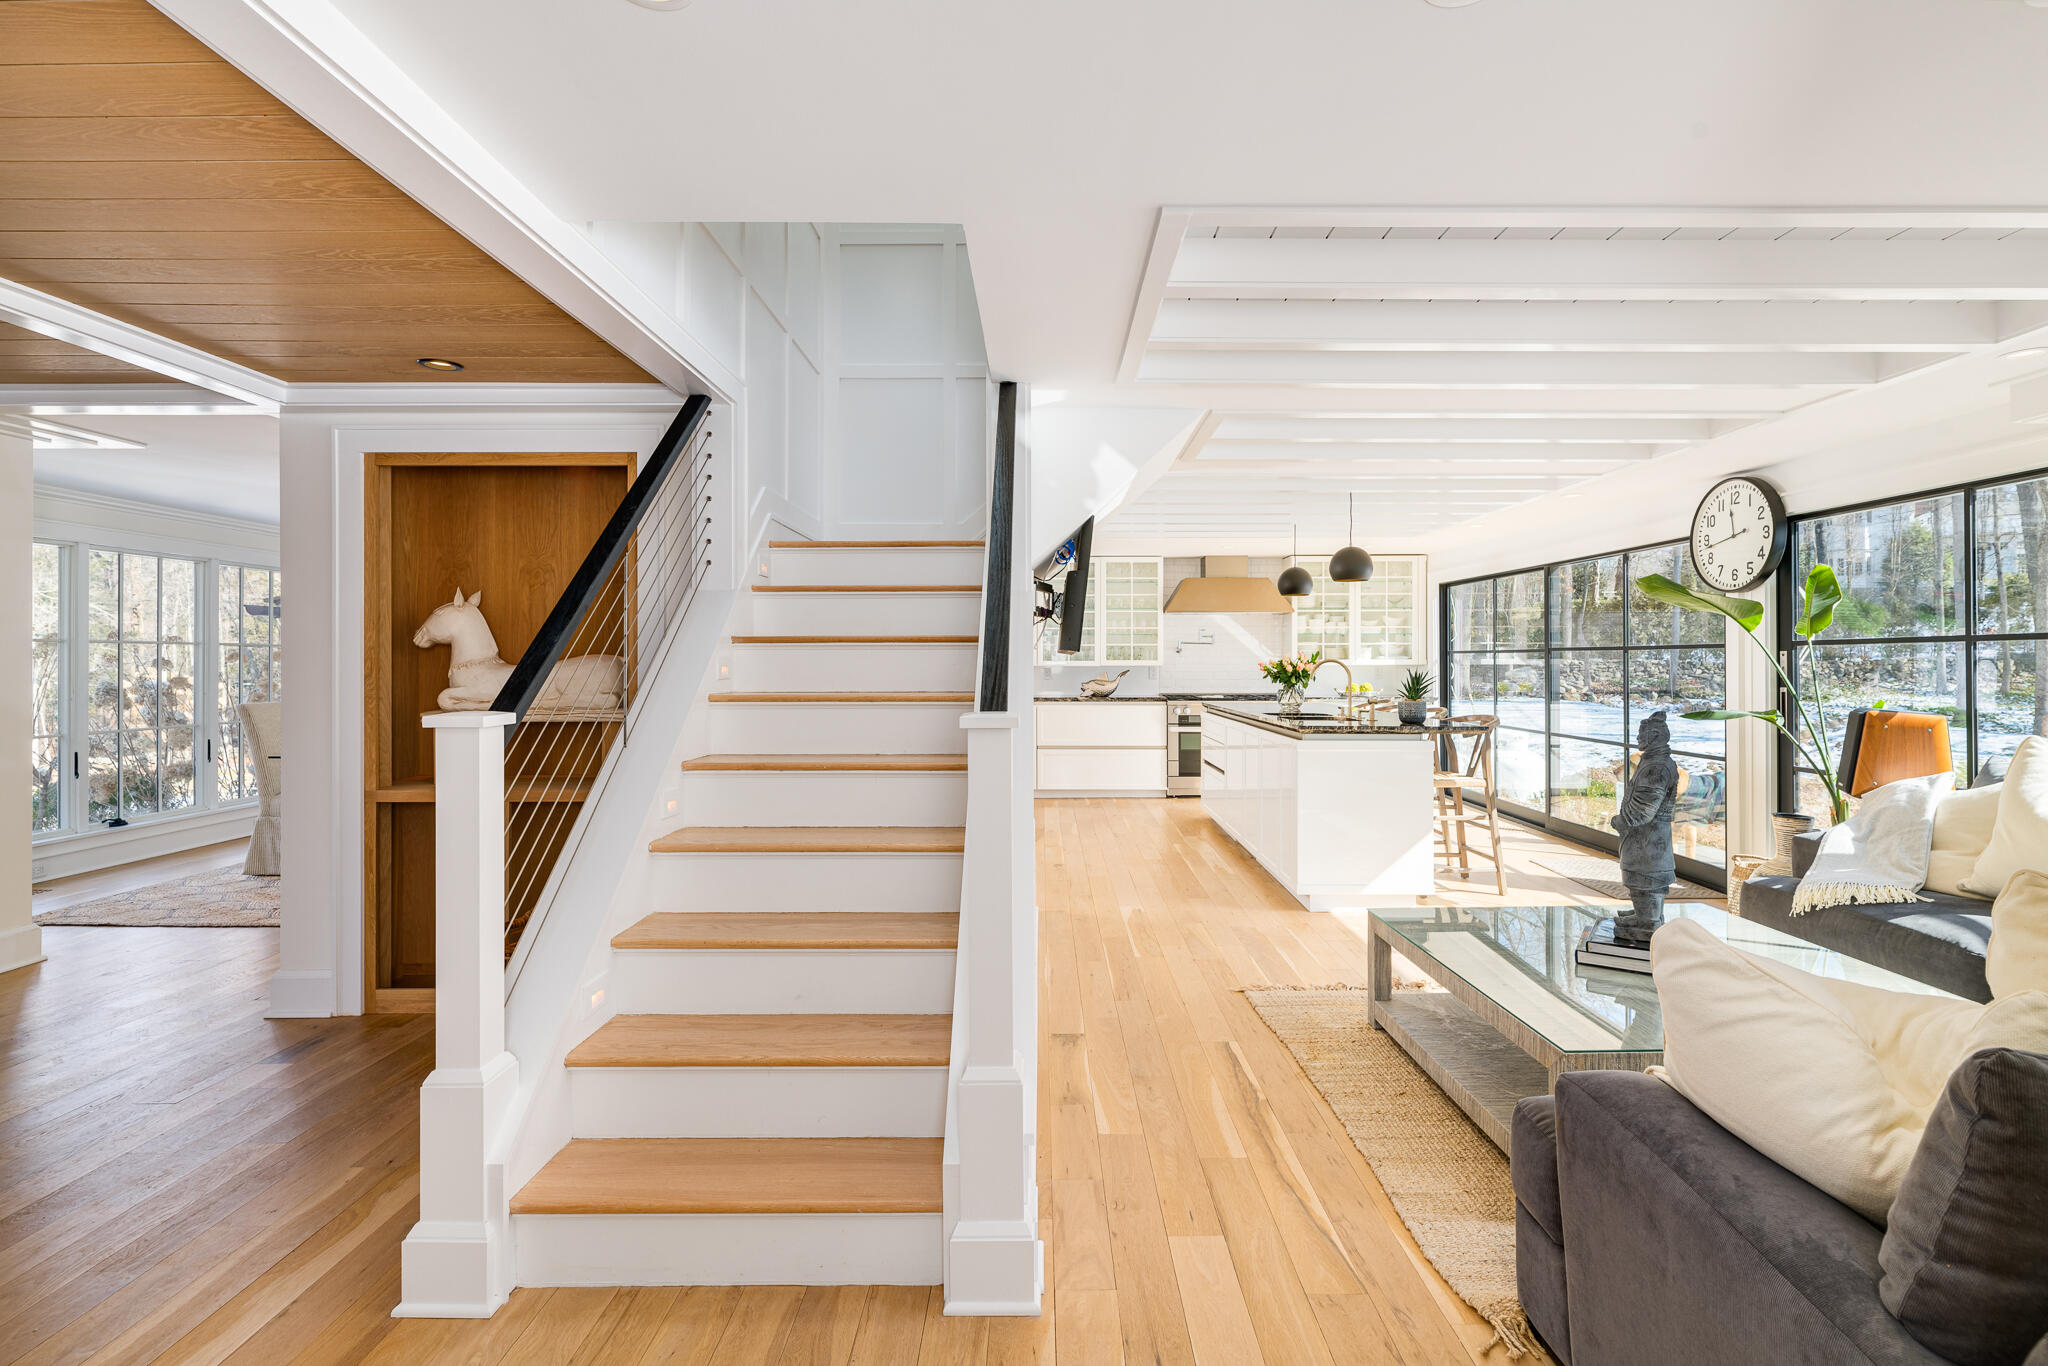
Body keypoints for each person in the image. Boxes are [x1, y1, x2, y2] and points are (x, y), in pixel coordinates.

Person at [1611, 710, 1678, 945]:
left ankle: (1648, 922)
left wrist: (1620, 821)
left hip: (1649, 839)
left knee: (1646, 878)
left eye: (1643, 733)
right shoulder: (1653, 761)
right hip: (1649, 839)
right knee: (1640, 880)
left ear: (1656, 736)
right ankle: (1644, 915)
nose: (1639, 737)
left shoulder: (1656, 767)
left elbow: (1643, 809)